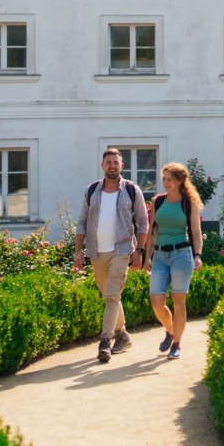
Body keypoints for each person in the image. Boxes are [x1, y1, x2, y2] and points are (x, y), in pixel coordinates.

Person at [73, 147, 149, 364]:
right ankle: (123, 334)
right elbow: (81, 221)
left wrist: (139, 251)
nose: (112, 166)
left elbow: (143, 222)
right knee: (109, 295)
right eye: (109, 163)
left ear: (121, 166)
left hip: (122, 250)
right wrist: (78, 251)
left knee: (112, 295)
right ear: (102, 166)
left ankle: (105, 341)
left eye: (116, 162)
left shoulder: (132, 190)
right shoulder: (92, 190)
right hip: (96, 251)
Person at [147, 161, 205, 361]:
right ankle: (170, 331)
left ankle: (177, 344)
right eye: (164, 179)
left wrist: (198, 255)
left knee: (178, 301)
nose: (166, 183)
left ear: (180, 181)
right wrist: (147, 256)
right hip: (160, 255)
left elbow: (196, 233)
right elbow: (152, 231)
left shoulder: (189, 203)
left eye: (169, 180)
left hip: (182, 254)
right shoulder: (158, 201)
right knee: (156, 302)